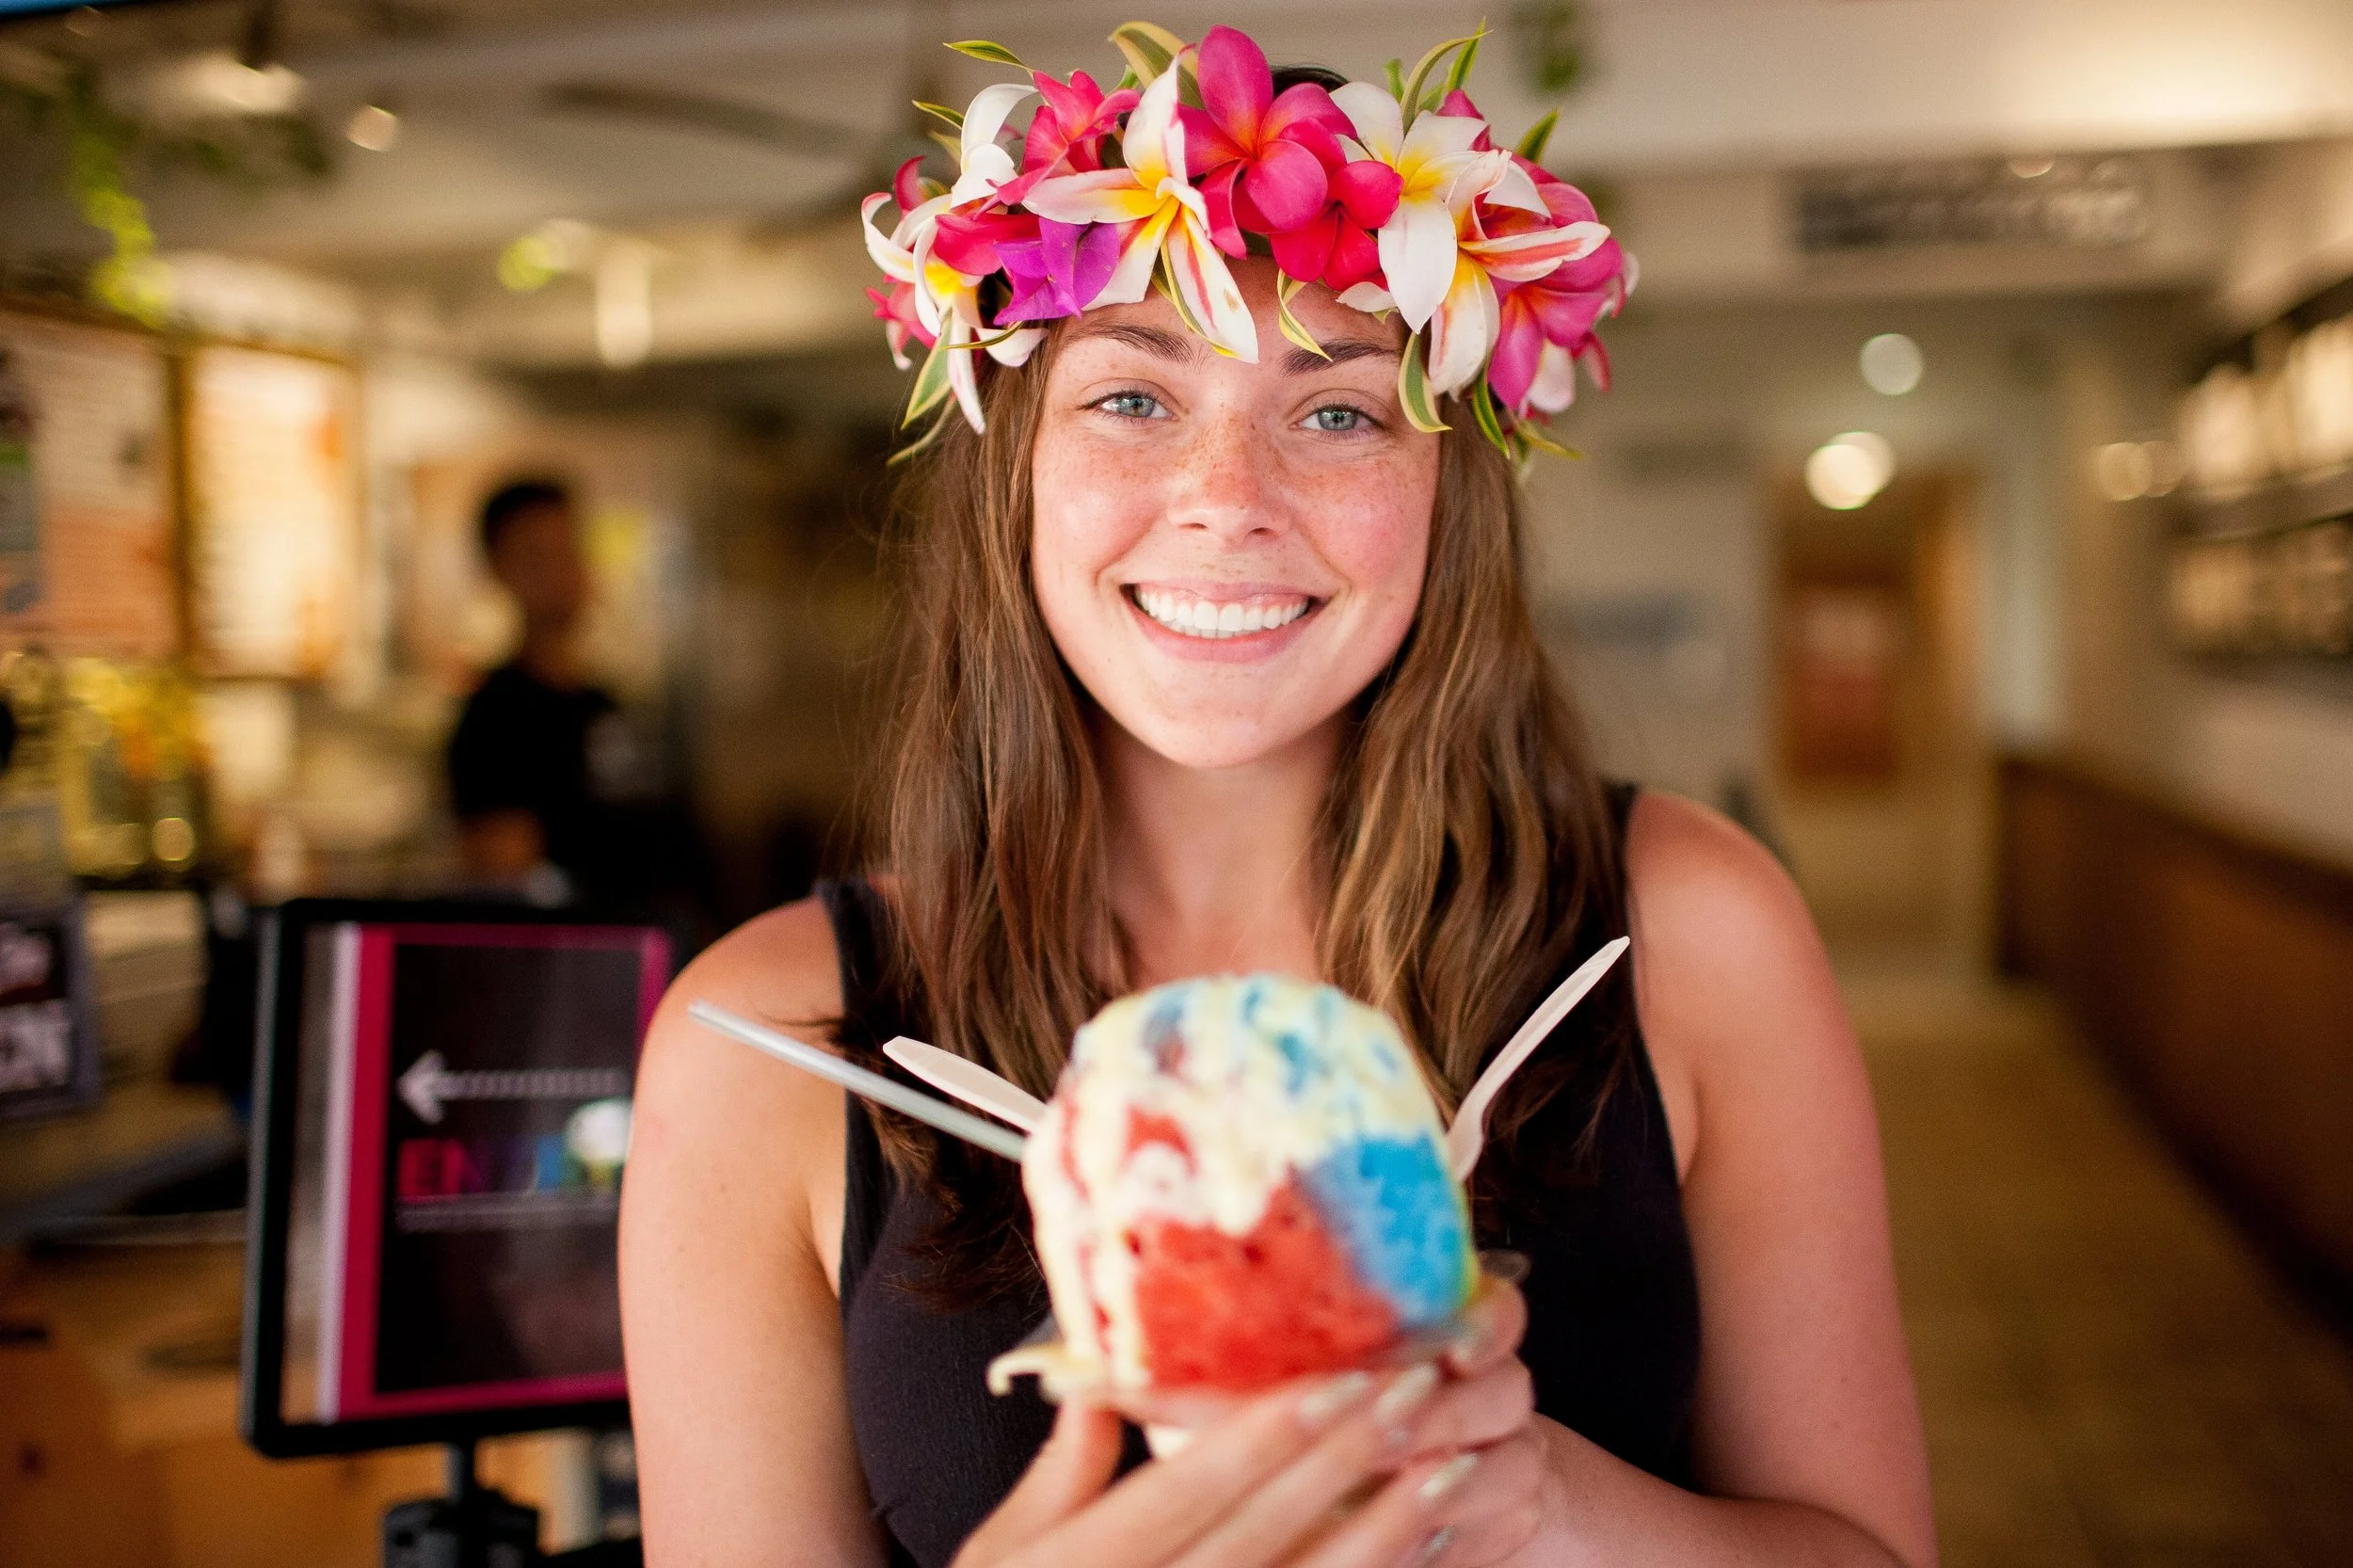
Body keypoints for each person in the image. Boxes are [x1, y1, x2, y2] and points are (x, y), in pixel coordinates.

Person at [621, 27, 1935, 1568]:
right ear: (1012, 476)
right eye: (1129, 399)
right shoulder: (771, 1048)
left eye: (1338, 412)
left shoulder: (1690, 930)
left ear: (1451, 490)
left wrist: (1544, 1503)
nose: (1228, 500)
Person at [447, 477, 626, 899]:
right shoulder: (494, 718)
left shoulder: (604, 704)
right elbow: (509, 886)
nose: (560, 571)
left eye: (568, 549)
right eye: (536, 556)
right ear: (499, 571)